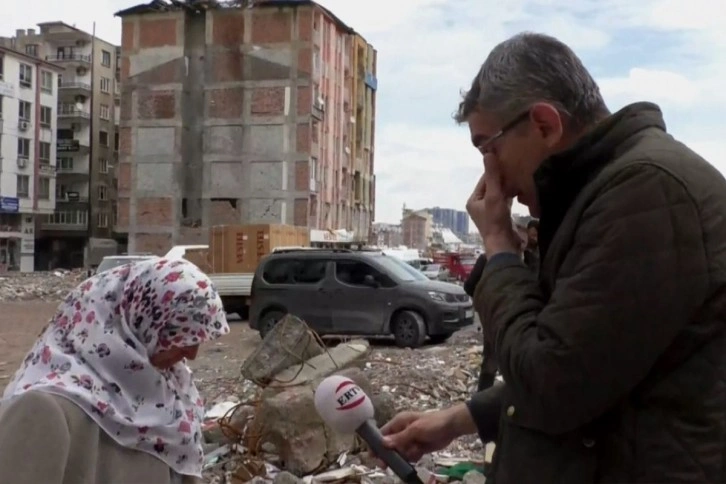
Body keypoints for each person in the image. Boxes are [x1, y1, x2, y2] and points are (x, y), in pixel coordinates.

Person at [380, 32, 726, 483]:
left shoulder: (646, 193)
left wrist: (501, 248)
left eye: (489, 147)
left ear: (544, 124)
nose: (490, 170)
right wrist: (459, 418)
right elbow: (595, 363)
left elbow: (551, 385)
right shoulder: (604, 191)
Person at [0, 258, 230, 484]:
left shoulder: (172, 397)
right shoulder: (44, 409)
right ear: (138, 323)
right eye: (180, 336)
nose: (192, 354)